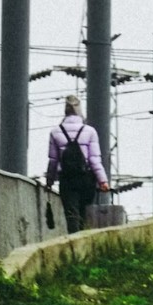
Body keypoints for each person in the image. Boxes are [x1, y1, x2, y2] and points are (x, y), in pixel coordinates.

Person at [46, 95, 109, 233]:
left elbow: (53, 160)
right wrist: (103, 180)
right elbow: (94, 159)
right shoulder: (90, 131)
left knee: (71, 214)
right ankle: (82, 243)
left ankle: (73, 243)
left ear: (65, 111)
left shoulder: (55, 132)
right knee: (84, 213)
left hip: (67, 178)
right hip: (86, 178)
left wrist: (49, 180)